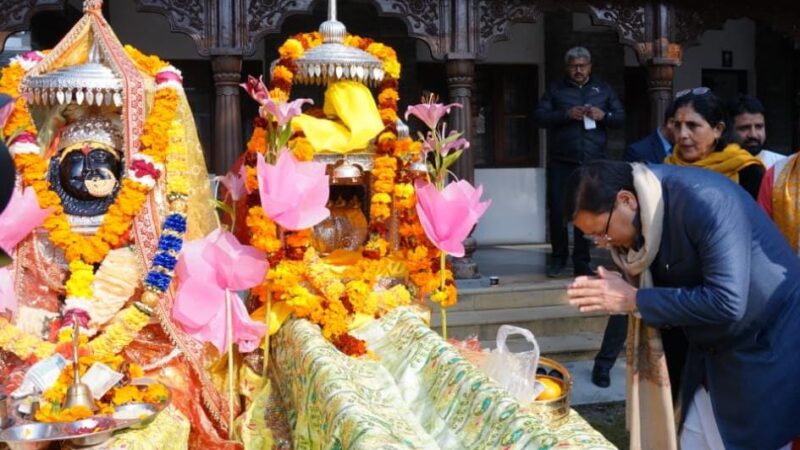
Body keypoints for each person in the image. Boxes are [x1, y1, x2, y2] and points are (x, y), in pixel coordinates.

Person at [565, 160, 800, 450]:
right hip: (706, 355)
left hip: (764, 349)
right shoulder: (647, 209)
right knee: (692, 440)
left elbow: (727, 301)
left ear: (626, 200)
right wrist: (627, 284)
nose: (602, 243)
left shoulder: (705, 200)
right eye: (592, 237)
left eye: (603, 232)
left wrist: (634, 298)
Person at [590, 102, 676, 388]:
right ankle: (604, 364)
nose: (686, 134)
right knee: (625, 303)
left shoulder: (692, 155)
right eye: (680, 125)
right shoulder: (639, 151)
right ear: (669, 123)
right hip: (640, 240)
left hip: (674, 241)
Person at [535, 46, 625, 277]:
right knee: (558, 211)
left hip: (592, 163)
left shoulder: (603, 89)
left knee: (585, 211)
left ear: (590, 66)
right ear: (567, 67)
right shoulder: (556, 89)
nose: (578, 70)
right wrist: (565, 115)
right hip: (562, 162)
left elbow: (620, 117)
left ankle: (582, 262)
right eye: (574, 66)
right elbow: (540, 117)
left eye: (582, 66)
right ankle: (558, 259)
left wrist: (604, 116)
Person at [665, 88, 765, 199]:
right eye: (677, 125)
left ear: (718, 129)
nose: (682, 134)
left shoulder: (748, 171)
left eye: (692, 125)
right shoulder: (666, 168)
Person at [730, 94, 785, 169]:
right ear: (729, 130)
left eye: (759, 127)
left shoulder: (783, 165)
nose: (753, 135)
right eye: (744, 128)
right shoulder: (717, 166)